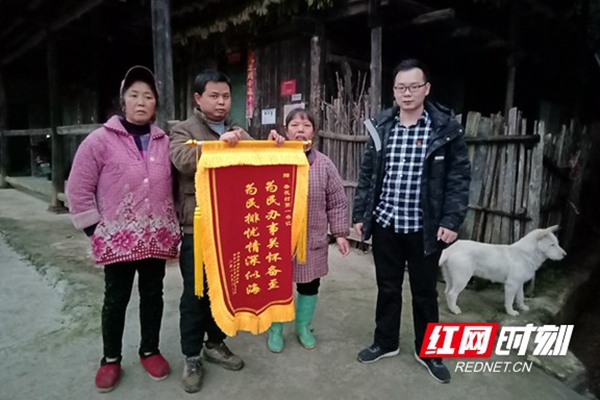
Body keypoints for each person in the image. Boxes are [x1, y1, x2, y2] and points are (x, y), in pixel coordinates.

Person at [352, 59, 470, 383]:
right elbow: (367, 175)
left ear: (426, 89)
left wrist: (451, 219)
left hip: (425, 228)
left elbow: (459, 178)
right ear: (394, 91)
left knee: (425, 293)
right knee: (388, 288)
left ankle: (429, 351)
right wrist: (361, 215)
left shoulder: (445, 129)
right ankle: (385, 342)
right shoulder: (381, 127)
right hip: (386, 223)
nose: (407, 93)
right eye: (401, 87)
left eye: (414, 86)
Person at [67, 66, 181, 393]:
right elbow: (78, 187)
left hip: (156, 236)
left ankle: (149, 350)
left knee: (153, 294)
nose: (141, 101)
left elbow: (177, 182)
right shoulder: (100, 141)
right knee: (116, 298)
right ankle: (111, 359)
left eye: (148, 96)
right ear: (123, 100)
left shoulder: (163, 141)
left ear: (155, 103)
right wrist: (94, 229)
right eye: (134, 95)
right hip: (118, 239)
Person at [169, 69, 284, 393]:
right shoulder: (183, 129)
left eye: (225, 96)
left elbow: (260, 160)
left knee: (222, 289)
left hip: (231, 223)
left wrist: (274, 145)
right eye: (214, 96)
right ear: (198, 98)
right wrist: (216, 146)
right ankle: (192, 355)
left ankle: (214, 343)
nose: (221, 102)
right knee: (195, 293)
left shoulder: (239, 131)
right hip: (197, 225)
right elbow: (181, 160)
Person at [266, 108, 350, 353]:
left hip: (312, 238)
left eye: (306, 125)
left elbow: (337, 201)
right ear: (285, 130)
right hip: (278, 239)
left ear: (314, 132)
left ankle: (303, 327)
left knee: (309, 285)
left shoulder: (324, 164)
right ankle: (275, 330)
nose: (300, 130)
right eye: (294, 125)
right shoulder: (273, 158)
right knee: (278, 285)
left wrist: (340, 233)